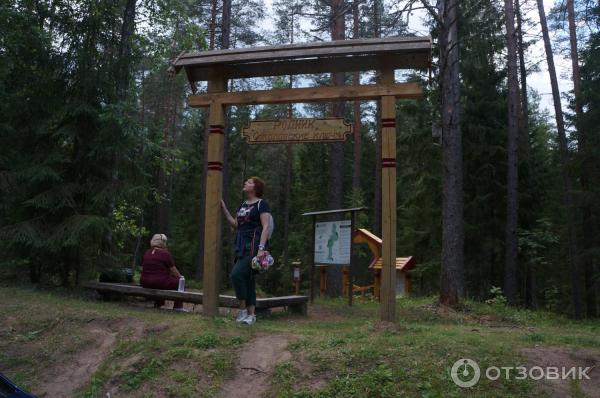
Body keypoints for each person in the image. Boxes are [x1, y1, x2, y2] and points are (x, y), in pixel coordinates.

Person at [221, 176, 272, 325]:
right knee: (248, 279)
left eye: (249, 182)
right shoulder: (243, 204)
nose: (245, 183)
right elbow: (236, 224)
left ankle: (242, 310)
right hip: (241, 245)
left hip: (254, 246)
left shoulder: (262, 204)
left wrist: (261, 249)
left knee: (236, 274)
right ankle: (251, 315)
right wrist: (223, 208)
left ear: (255, 188)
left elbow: (266, 227)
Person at [140, 233, 187, 312]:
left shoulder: (147, 252)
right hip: (158, 282)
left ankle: (158, 303)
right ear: (163, 242)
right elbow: (174, 271)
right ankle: (178, 306)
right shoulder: (165, 253)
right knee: (180, 282)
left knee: (160, 280)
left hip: (144, 282)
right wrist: (181, 277)